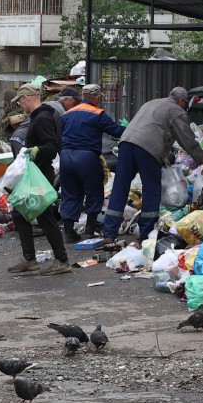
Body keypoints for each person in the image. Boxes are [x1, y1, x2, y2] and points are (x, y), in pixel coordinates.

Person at [96, 86, 203, 246]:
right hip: (147, 150)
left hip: (126, 143)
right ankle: (146, 234)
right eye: (185, 104)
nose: (185, 108)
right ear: (181, 101)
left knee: (120, 188)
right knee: (151, 189)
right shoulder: (176, 110)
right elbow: (188, 141)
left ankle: (109, 234)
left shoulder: (152, 103)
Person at [8, 86, 71, 275]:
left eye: (20, 100)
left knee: (44, 216)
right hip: (36, 173)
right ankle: (30, 259)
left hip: (40, 174)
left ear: (26, 98)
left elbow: (52, 146)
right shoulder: (38, 116)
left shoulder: (42, 118)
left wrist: (37, 151)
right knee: (20, 213)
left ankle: (62, 260)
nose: (19, 104)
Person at [57, 84, 124, 239]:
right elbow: (115, 131)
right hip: (86, 157)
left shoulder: (67, 114)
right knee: (94, 191)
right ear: (96, 98)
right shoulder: (97, 114)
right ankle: (89, 228)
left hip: (66, 157)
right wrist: (130, 128)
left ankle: (68, 233)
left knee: (69, 193)